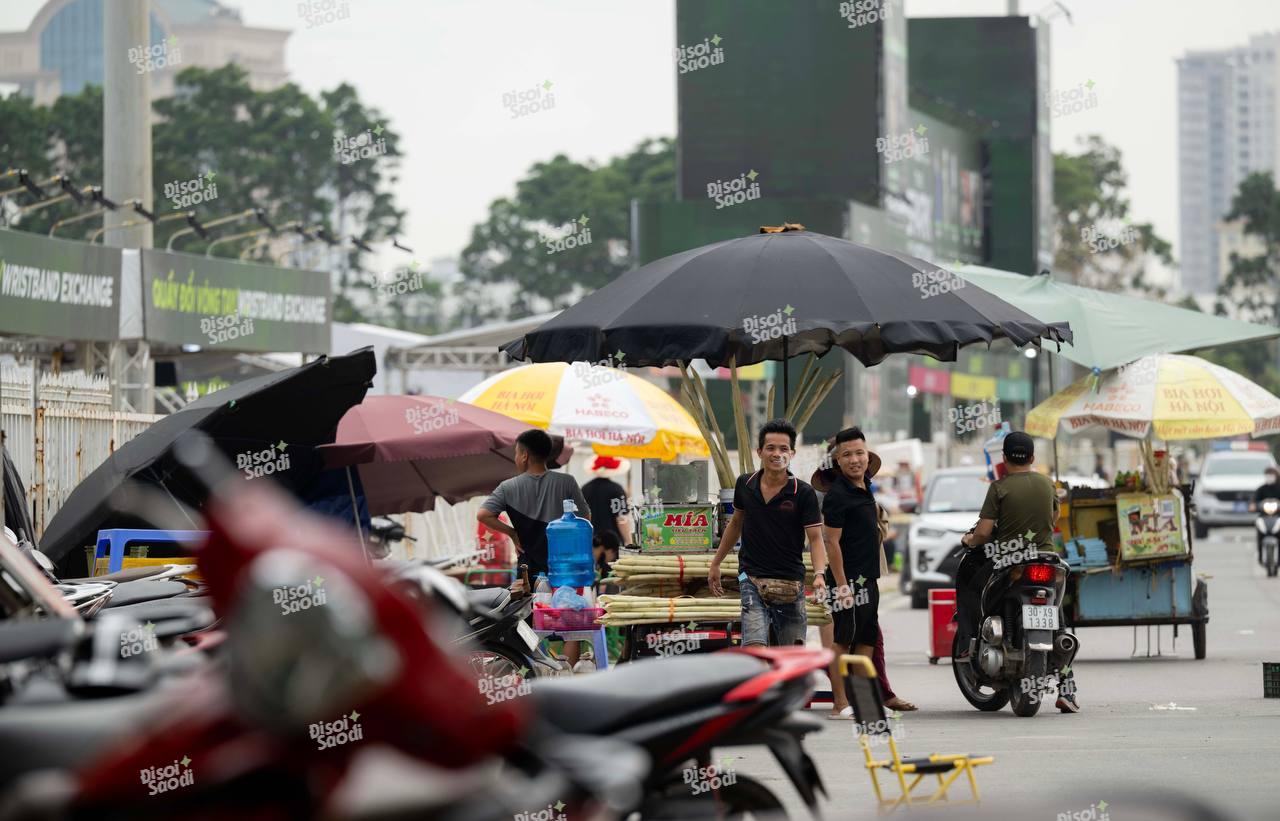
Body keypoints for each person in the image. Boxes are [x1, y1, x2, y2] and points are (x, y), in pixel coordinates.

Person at [960, 431, 1079, 713]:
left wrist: (970, 540)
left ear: (1004, 459)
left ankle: (977, 641)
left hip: (1011, 563)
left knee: (978, 593)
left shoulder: (999, 488)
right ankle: (1067, 689)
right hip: (1048, 561)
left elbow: (984, 532)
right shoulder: (1047, 484)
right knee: (1056, 618)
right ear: (1033, 457)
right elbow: (1053, 517)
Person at [708, 419, 829, 647]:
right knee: (755, 649)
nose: (777, 454)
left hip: (791, 583)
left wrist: (820, 574)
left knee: (792, 655)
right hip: (749, 579)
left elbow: (815, 538)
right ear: (760, 452)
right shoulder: (745, 484)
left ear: (792, 453)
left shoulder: (803, 493)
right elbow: (735, 523)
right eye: (770, 448)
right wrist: (716, 563)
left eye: (783, 449)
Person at [809, 449, 910, 713]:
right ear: (836, 464)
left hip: (867, 578)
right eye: (846, 456)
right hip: (843, 580)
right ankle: (841, 702)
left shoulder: (865, 491)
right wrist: (840, 584)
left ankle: (866, 702)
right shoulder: (832, 498)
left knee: (867, 639)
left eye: (858, 454)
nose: (854, 461)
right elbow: (828, 542)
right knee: (841, 640)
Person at [478, 429, 591, 665]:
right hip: (566, 571)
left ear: (525, 455)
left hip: (528, 572)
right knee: (571, 626)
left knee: (527, 627)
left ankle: (535, 674)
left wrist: (512, 533)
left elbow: (484, 514)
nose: (515, 458)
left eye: (516, 453)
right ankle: (568, 677)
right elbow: (586, 518)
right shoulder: (566, 482)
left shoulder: (508, 487)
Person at [581, 455, 634, 549]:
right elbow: (621, 519)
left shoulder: (585, 489)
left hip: (589, 541)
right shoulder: (616, 489)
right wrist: (630, 542)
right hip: (612, 542)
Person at [1252, 466, 1280, 565]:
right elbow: (1254, 500)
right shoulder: (1261, 489)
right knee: (1259, 531)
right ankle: (1260, 554)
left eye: (1271, 475)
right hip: (1263, 516)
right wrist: (1253, 505)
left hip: (1278, 516)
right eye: (1268, 475)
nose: (1269, 477)